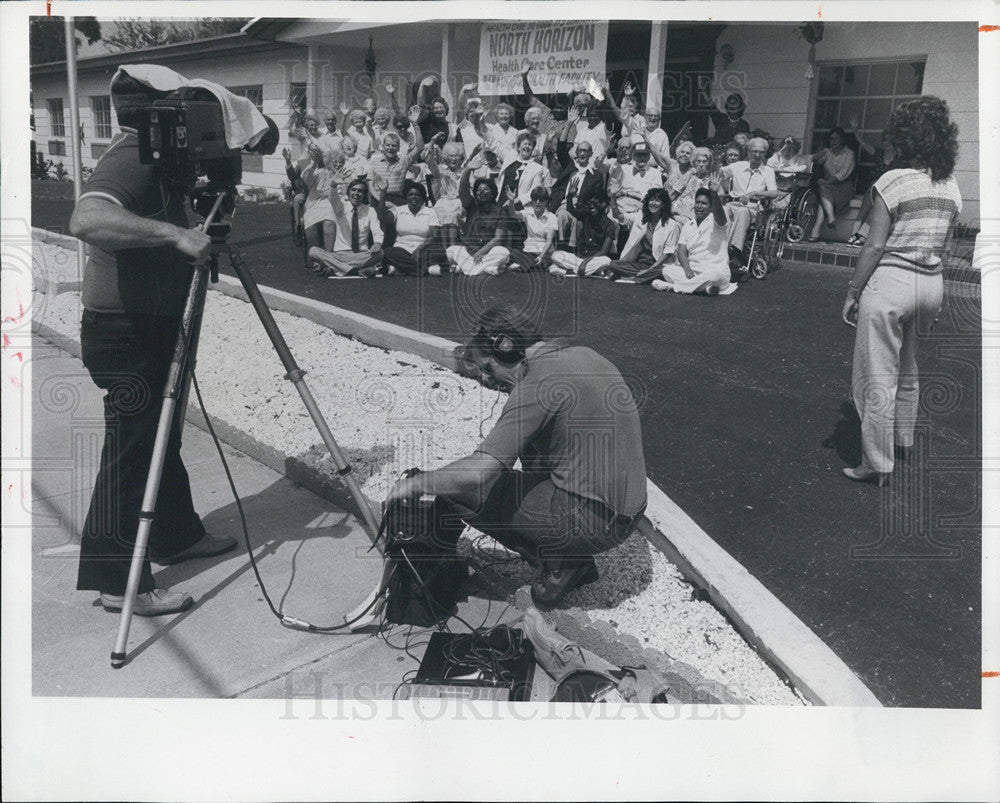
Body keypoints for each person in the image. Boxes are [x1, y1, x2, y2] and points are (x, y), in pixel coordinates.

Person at [68, 68, 237, 616]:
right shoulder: (133, 154)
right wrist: (174, 234)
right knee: (133, 448)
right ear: (160, 111)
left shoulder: (163, 155)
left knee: (159, 437)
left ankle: (175, 536)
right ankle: (119, 583)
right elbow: (87, 218)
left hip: (151, 322)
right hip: (125, 331)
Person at [387, 306, 648, 608]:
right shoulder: (581, 354)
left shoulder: (536, 385)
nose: (486, 378)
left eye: (488, 367)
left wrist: (419, 484)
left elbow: (479, 472)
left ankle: (562, 562)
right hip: (629, 513)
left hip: (591, 522)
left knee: (458, 492)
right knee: (528, 449)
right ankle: (564, 553)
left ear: (508, 350)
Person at [841, 96, 961, 485]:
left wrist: (853, 291)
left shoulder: (891, 181)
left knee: (877, 374)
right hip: (931, 283)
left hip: (891, 282)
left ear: (904, 138)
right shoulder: (950, 185)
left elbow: (874, 245)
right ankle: (902, 440)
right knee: (908, 367)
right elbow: (946, 244)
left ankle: (875, 463)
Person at [653, 187, 736, 295]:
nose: (699, 206)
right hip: (694, 272)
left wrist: (714, 194)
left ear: (711, 207)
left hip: (715, 271)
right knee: (667, 271)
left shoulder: (717, 221)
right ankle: (705, 288)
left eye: (704, 203)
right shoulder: (688, 225)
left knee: (716, 276)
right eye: (697, 202)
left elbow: (720, 216)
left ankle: (672, 287)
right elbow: (681, 251)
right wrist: (688, 270)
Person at [308, 177, 385, 278]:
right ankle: (355, 271)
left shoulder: (370, 211)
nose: (356, 194)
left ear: (364, 194)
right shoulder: (340, 206)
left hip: (361, 255)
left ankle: (337, 269)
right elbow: (333, 198)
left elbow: (377, 231)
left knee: (380, 253)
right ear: (348, 192)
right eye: (353, 190)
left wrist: (377, 243)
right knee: (313, 251)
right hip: (340, 255)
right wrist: (333, 185)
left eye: (360, 191)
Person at [720, 136, 780, 265]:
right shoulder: (737, 166)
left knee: (742, 212)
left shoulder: (768, 171)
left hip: (754, 208)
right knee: (723, 209)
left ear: (765, 154)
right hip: (732, 204)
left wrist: (755, 193)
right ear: (748, 152)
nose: (757, 155)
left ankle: (734, 251)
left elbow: (774, 193)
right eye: (754, 151)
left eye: (761, 152)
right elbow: (718, 172)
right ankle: (721, 248)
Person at [441, 169, 510, 276]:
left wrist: (481, 252)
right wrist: (468, 170)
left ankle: (466, 269)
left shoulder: (499, 212)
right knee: (451, 250)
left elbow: (498, 238)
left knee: (503, 252)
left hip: (488, 252)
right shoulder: (471, 205)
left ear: (492, 193)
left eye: (485, 189)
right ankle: (485, 269)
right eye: (478, 190)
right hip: (468, 251)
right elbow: (462, 189)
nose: (481, 192)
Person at [607, 187, 681, 283]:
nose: (653, 203)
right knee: (613, 264)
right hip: (639, 264)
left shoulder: (672, 225)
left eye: (657, 201)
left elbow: (667, 253)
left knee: (663, 271)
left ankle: (632, 279)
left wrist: (649, 270)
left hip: (658, 265)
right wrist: (612, 198)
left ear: (663, 205)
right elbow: (618, 216)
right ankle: (642, 278)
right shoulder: (640, 217)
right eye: (651, 200)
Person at [845, 114, 897, 247]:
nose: (886, 143)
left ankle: (862, 235)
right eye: (884, 140)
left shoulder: (899, 158)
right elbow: (863, 143)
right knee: (864, 209)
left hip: (888, 192)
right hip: (874, 187)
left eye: (889, 141)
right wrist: (855, 130)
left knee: (876, 209)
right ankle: (853, 235)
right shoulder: (878, 154)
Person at [549, 188, 618, 278]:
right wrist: (570, 196)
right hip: (579, 258)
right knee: (556, 255)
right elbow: (571, 211)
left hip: (594, 259)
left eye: (595, 204)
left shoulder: (609, 225)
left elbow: (603, 252)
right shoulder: (586, 216)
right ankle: (589, 272)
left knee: (606, 261)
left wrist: (586, 262)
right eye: (590, 204)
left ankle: (569, 271)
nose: (592, 207)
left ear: (603, 204)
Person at [382, 180, 445, 276]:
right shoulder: (398, 210)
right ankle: (426, 269)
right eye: (410, 195)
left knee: (440, 252)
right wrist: (383, 195)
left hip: (424, 249)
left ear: (422, 197)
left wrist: (420, 249)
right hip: (401, 249)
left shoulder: (430, 212)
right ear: (406, 197)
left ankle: (401, 268)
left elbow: (434, 236)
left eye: (417, 195)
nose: (413, 197)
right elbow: (383, 217)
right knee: (387, 252)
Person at [807, 126, 857, 241]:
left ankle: (817, 229)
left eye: (836, 139)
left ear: (842, 140)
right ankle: (827, 221)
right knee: (824, 193)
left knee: (823, 195)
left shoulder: (849, 154)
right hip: (828, 187)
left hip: (844, 187)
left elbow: (843, 175)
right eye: (831, 139)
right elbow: (812, 161)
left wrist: (826, 182)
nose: (833, 141)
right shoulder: (826, 152)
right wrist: (816, 156)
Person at [299, 144, 337, 269]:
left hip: (331, 202)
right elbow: (307, 181)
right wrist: (314, 164)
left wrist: (332, 166)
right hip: (315, 202)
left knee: (329, 221)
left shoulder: (333, 169)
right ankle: (317, 258)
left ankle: (329, 257)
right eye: (315, 152)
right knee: (310, 221)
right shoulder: (313, 169)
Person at [504, 185, 558, 271]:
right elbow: (513, 214)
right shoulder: (528, 213)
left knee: (547, 259)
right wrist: (511, 201)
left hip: (543, 253)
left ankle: (523, 266)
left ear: (546, 202)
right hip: (528, 252)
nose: (537, 202)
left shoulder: (552, 217)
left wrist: (541, 256)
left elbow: (549, 241)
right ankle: (530, 266)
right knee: (511, 252)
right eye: (535, 199)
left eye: (541, 200)